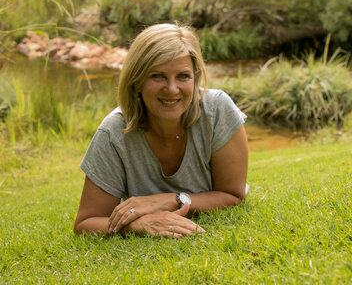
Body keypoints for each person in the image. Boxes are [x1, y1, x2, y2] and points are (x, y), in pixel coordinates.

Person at [73, 23, 248, 238]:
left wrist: (170, 200)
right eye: (157, 76)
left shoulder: (218, 109)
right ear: (136, 81)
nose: (172, 89)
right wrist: (138, 225)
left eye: (183, 76)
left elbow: (233, 195)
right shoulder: (113, 132)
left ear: (195, 78)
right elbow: (86, 223)